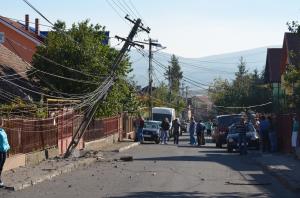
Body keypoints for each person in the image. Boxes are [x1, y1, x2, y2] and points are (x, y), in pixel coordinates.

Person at [0, 118, 10, 186]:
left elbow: (5, 140)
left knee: (1, 166)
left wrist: (8, 148)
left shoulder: (2, 130)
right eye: (2, 121)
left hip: (4, 150)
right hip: (0, 151)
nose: (3, 122)